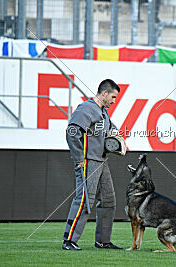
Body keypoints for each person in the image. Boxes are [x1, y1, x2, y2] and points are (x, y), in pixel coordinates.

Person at [62, 79, 123, 251]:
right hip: (88, 161)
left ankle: (102, 241)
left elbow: (111, 129)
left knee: (108, 201)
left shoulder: (103, 112)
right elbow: (72, 132)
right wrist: (79, 158)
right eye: (113, 96)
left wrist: (117, 137)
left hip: (102, 161)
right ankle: (69, 241)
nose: (114, 100)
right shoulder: (87, 109)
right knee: (84, 201)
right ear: (104, 93)